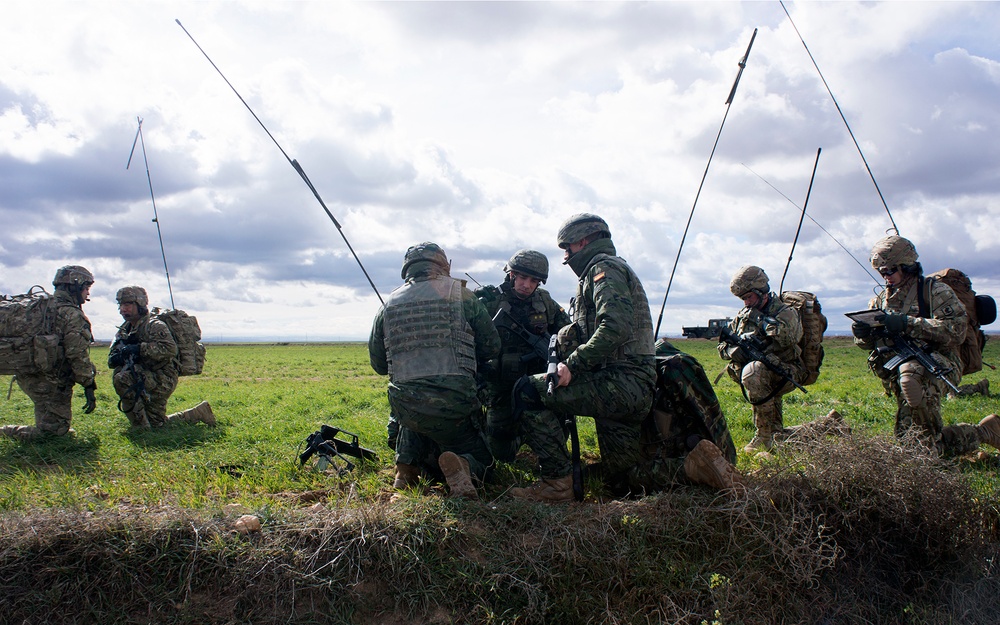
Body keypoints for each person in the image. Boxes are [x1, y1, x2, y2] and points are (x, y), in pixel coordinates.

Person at [509, 213, 657, 502]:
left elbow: (614, 326)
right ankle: (693, 467)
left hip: (621, 382)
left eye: (568, 248)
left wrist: (572, 365)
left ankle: (556, 484)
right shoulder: (610, 269)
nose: (565, 257)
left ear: (584, 241)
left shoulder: (602, 269)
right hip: (628, 385)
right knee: (625, 481)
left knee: (528, 390)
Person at [369, 242, 501, 499]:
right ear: (443, 265)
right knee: (487, 465)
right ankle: (464, 466)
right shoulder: (461, 295)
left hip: (407, 407)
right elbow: (492, 347)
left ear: (407, 269)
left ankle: (405, 470)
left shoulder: (389, 303)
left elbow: (379, 366)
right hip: (455, 403)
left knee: (412, 407)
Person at [852, 235, 999, 455]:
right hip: (898, 370)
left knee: (913, 382)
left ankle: (979, 434)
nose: (885, 277)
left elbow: (957, 330)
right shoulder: (881, 299)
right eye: (881, 272)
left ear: (907, 266)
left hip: (937, 364)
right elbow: (868, 344)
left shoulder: (935, 292)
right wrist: (862, 334)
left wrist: (907, 323)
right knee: (917, 446)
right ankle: (984, 431)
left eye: (890, 271)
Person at [474, 249, 571, 462]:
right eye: (523, 277)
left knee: (556, 430)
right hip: (500, 382)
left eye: (534, 280)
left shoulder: (545, 302)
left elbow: (566, 332)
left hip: (537, 380)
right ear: (511, 275)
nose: (527, 285)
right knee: (501, 452)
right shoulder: (490, 300)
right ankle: (517, 436)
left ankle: (537, 442)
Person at [718, 266, 810, 453]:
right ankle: (777, 434)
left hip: (786, 370)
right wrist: (733, 351)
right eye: (743, 298)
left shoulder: (785, 312)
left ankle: (763, 437)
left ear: (762, 292)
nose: (746, 302)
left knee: (754, 372)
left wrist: (760, 322)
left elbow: (789, 338)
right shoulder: (742, 316)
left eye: (749, 297)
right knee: (754, 371)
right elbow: (722, 346)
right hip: (759, 371)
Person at [1, 266, 97, 441]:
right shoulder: (71, 314)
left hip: (27, 374)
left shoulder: (39, 306)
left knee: (49, 417)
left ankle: (46, 423)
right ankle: (7, 431)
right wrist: (88, 383)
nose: (86, 294)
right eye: (86, 288)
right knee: (54, 434)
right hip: (52, 380)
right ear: (75, 286)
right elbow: (77, 355)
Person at [108, 286, 215, 429]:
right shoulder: (124, 329)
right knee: (158, 424)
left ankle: (140, 428)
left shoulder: (154, 326)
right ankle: (199, 413)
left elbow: (170, 349)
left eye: (127, 304)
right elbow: (112, 358)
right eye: (121, 305)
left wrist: (139, 349)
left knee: (121, 378)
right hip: (144, 376)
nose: (123, 309)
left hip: (162, 377)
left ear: (139, 303)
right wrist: (118, 357)